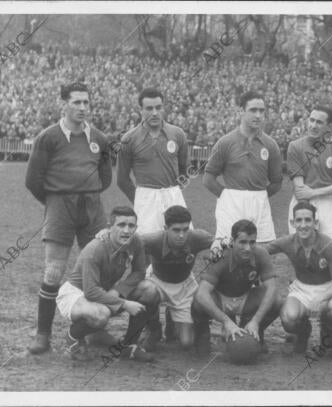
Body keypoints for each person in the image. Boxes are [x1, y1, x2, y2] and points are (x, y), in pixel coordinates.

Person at [25, 82, 112, 354]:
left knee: (98, 267)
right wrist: (55, 202)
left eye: (86, 102)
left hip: (92, 207)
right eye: (76, 102)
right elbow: (32, 180)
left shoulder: (99, 137)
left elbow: (106, 177)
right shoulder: (48, 137)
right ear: (63, 103)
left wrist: (88, 196)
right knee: (53, 270)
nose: (82, 108)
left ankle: (95, 330)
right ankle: (43, 335)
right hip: (60, 206)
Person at [56, 206, 158, 361]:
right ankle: (72, 337)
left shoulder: (135, 241)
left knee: (149, 289)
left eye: (131, 226)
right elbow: (90, 292)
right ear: (110, 228)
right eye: (121, 225)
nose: (126, 230)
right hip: (76, 293)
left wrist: (118, 291)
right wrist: (124, 303)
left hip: (103, 290)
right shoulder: (95, 249)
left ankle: (128, 346)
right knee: (100, 314)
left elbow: (139, 272)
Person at [266, 201, 332, 354]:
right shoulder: (287, 242)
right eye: (299, 220)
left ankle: (327, 334)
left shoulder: (329, 245)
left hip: (327, 288)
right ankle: (303, 333)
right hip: (302, 289)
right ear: (292, 223)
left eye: (308, 220)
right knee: (288, 317)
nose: (303, 225)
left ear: (315, 222)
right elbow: (262, 251)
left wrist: (323, 297)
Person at [191, 220, 281, 355]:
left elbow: (272, 288)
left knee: (277, 300)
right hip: (221, 298)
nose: (248, 248)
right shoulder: (221, 255)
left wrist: (256, 321)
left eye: (252, 242)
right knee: (198, 303)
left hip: (244, 297)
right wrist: (226, 321)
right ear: (232, 241)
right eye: (243, 242)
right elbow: (202, 294)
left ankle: (254, 329)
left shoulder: (261, 254)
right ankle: (203, 334)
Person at [203, 91, 283, 243]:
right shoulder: (225, 142)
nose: (258, 115)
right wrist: (228, 196)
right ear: (241, 112)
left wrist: (259, 196)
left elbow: (277, 182)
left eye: (261, 111)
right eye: (253, 110)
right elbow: (208, 178)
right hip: (231, 203)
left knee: (261, 250)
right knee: (228, 249)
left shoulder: (271, 145)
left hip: (260, 202)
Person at [140, 206, 215, 351]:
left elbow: (228, 243)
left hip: (184, 285)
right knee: (146, 291)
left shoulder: (197, 237)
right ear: (165, 228)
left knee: (187, 342)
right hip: (157, 280)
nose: (181, 235)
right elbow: (126, 243)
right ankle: (153, 328)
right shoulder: (153, 239)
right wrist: (105, 234)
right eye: (176, 230)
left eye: (185, 229)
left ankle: (172, 318)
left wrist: (216, 253)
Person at [117, 87, 190, 235]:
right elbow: (122, 179)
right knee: (146, 245)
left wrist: (173, 191)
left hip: (173, 195)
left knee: (181, 242)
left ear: (164, 108)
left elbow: (185, 169)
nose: (155, 113)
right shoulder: (129, 139)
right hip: (146, 198)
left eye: (158, 107)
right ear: (140, 110)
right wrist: (140, 198)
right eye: (149, 108)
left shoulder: (177, 134)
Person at [286, 106, 332, 244]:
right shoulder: (295, 146)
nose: (313, 126)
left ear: (329, 126)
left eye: (319, 122)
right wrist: (308, 198)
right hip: (302, 203)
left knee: (331, 249)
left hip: (328, 203)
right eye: (312, 120)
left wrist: (314, 192)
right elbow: (300, 190)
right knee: (302, 252)